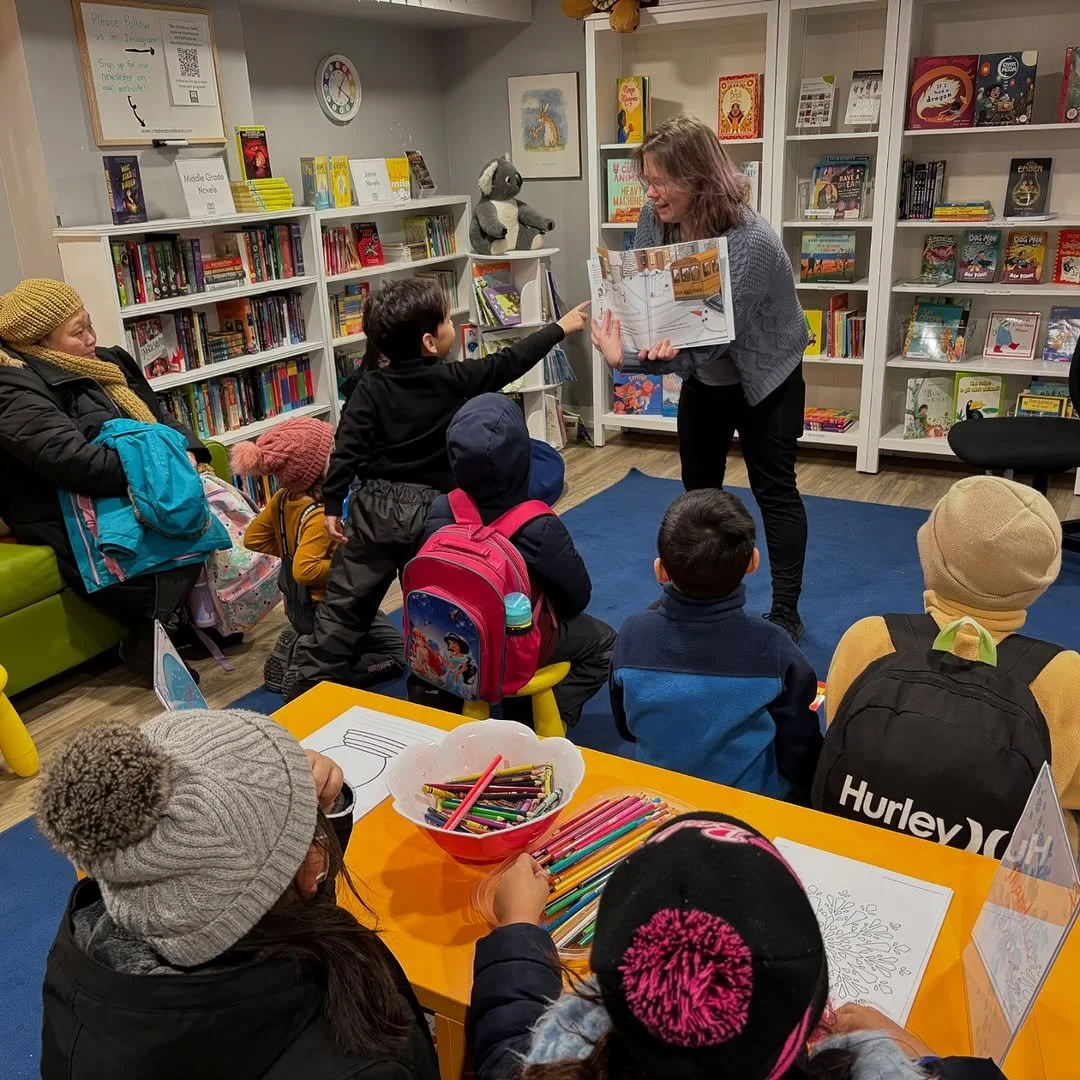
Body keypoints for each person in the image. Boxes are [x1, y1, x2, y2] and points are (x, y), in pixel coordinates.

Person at [36, 708, 439, 1079]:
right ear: (312, 868)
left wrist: (302, 816)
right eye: (307, 828)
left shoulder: (86, 959)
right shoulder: (359, 1060)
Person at [469, 812, 1005, 1079]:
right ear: (810, 1013)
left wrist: (517, 926)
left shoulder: (547, 1062)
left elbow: (505, 1046)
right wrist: (920, 1057)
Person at [286, 278, 591, 701]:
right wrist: (560, 328)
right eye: (448, 320)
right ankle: (436, 688)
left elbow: (347, 447)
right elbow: (510, 361)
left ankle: (309, 684)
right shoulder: (455, 379)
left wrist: (333, 503)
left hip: (374, 508)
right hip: (434, 513)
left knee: (345, 605)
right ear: (430, 341)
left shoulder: (370, 386)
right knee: (439, 601)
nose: (453, 324)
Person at [591, 114, 810, 642]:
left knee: (774, 489)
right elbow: (647, 285)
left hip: (766, 371)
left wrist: (630, 361)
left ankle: (785, 610)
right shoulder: (656, 215)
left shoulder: (750, 242)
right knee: (697, 492)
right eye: (647, 179)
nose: (651, 192)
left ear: (698, 178)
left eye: (661, 180)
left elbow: (711, 340)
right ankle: (690, 591)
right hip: (704, 375)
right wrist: (636, 329)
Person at [822, 476, 1080, 854]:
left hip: (862, 848)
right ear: (1039, 581)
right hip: (998, 883)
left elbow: (836, 729)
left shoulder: (870, 637)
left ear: (929, 558)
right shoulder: (1064, 675)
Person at [0, 278, 213, 680]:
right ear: (40, 342)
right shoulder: (12, 386)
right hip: (65, 508)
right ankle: (148, 635)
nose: (92, 338)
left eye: (90, 325)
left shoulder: (107, 363)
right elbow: (74, 462)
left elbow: (158, 414)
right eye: (78, 332)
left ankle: (190, 622)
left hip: (121, 489)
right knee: (178, 532)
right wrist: (164, 469)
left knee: (212, 514)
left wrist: (188, 451)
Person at [610, 488, 821, 802]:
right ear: (753, 561)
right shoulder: (774, 646)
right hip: (750, 805)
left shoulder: (631, 635)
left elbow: (626, 727)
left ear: (660, 571)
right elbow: (799, 743)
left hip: (658, 801)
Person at [421, 394, 615, 726]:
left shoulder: (441, 511)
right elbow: (577, 597)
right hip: (516, 648)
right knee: (606, 643)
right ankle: (547, 720)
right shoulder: (538, 525)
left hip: (449, 642)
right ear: (525, 456)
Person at [231, 416, 403, 696]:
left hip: (298, 607)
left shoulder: (284, 498)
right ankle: (320, 675)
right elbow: (305, 570)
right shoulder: (322, 517)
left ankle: (298, 643)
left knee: (363, 631)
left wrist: (293, 550)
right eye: (334, 453)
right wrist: (347, 562)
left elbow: (253, 538)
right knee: (396, 655)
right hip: (332, 608)